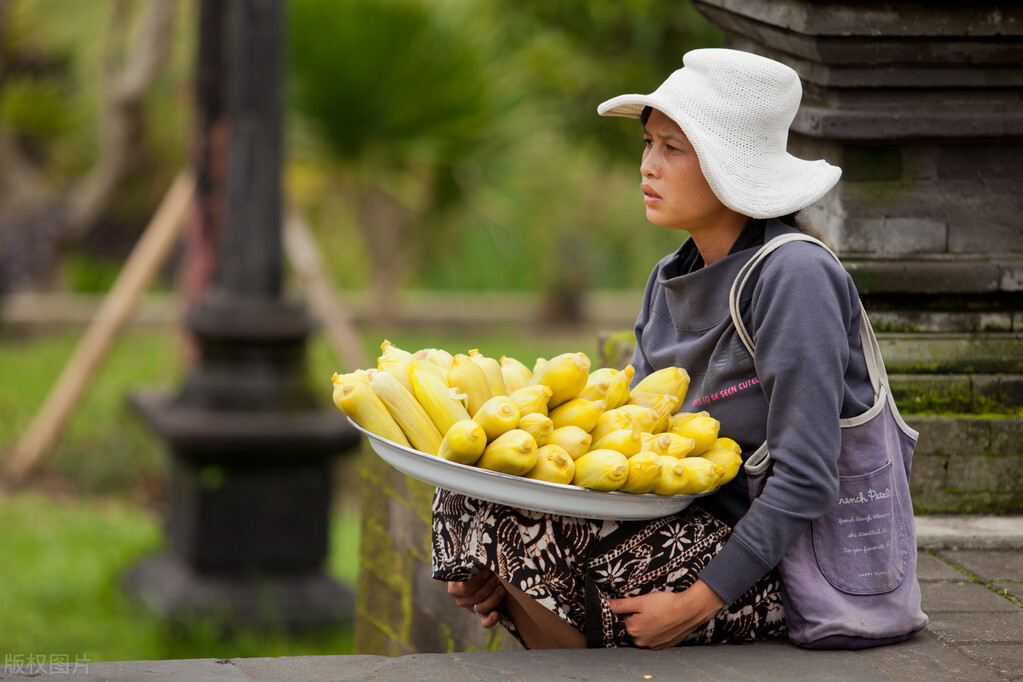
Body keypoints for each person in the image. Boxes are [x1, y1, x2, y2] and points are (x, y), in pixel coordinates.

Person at [432, 47, 872, 650]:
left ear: (728, 165)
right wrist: (495, 567)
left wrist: (693, 605)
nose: (647, 165)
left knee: (520, 533)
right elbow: (631, 436)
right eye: (647, 143)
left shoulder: (795, 277)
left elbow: (807, 478)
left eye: (673, 148)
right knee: (467, 496)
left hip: (777, 563)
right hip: (676, 521)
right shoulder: (670, 277)